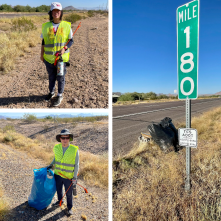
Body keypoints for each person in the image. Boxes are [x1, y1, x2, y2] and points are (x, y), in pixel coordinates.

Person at [40, 2, 74, 107]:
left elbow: (71, 41)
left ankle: (59, 95)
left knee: (60, 77)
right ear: (51, 13)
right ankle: (51, 92)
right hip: (48, 58)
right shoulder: (46, 26)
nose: (56, 13)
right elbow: (44, 41)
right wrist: (41, 54)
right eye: (54, 11)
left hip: (61, 59)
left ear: (61, 12)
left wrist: (64, 48)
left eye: (58, 11)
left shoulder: (66, 25)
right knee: (51, 76)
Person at [47, 129, 79, 216]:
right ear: (60, 138)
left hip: (68, 177)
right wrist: (50, 165)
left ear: (69, 138)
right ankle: (60, 201)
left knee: (69, 194)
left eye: (67, 138)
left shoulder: (74, 150)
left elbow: (76, 164)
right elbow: (55, 159)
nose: (65, 140)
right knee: (59, 190)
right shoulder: (56, 148)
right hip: (58, 174)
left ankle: (69, 208)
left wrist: (75, 177)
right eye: (63, 137)